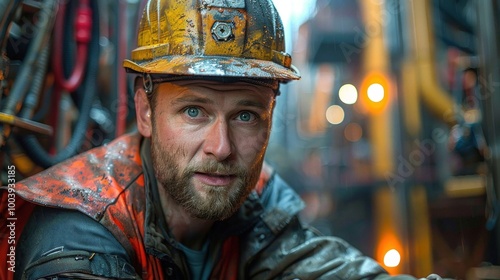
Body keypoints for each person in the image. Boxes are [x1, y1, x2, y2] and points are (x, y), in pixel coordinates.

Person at [2, 0, 443, 279]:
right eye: (194, 111)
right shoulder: (79, 230)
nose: (222, 147)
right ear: (145, 112)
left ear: (269, 120)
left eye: (246, 115)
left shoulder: (255, 202)